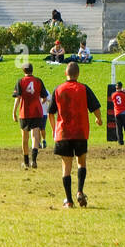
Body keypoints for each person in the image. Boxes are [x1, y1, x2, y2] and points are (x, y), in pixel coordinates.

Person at [48, 61, 103, 208]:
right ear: (78, 74)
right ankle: (79, 191)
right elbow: (95, 107)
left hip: (63, 133)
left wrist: (54, 129)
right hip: (80, 132)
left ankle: (69, 201)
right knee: (81, 162)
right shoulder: (84, 89)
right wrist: (99, 118)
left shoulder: (58, 89)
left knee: (66, 166)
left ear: (65, 73)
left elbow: (50, 113)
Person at [12, 64, 48, 170]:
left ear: (23, 71)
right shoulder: (38, 81)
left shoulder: (20, 81)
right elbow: (45, 98)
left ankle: (26, 162)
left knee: (25, 138)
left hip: (24, 113)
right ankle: (34, 160)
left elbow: (17, 98)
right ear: (32, 70)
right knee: (35, 136)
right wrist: (39, 102)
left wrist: (14, 112)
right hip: (37, 112)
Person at [111, 81, 125, 145]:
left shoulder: (113, 94)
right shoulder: (124, 94)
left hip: (117, 113)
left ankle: (120, 141)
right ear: (121, 87)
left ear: (116, 87)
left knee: (119, 128)